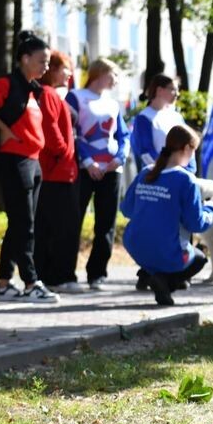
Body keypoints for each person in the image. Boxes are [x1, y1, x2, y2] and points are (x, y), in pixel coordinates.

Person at [0, 31, 59, 303]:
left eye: (48, 61)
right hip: (15, 160)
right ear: (24, 59)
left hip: (32, 160)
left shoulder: (31, 88)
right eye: (42, 60)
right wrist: (3, 130)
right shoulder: (8, 84)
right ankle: (32, 283)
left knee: (19, 223)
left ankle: (3, 283)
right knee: (26, 224)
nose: (46, 66)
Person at [121, 126, 213, 305]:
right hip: (164, 248)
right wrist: (211, 208)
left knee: (157, 250)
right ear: (187, 149)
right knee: (199, 258)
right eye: (193, 151)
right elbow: (196, 224)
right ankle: (165, 283)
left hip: (134, 244)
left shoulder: (146, 172)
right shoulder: (186, 180)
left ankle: (149, 273)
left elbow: (126, 209)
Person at [66, 57, 130, 291]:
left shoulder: (113, 104)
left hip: (112, 170)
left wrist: (119, 158)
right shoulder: (76, 97)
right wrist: (88, 160)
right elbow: (72, 133)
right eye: (114, 74)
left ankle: (97, 274)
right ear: (100, 73)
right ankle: (66, 273)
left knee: (106, 223)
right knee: (74, 220)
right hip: (85, 169)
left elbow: (123, 135)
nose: (116, 80)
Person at [35, 49, 84, 294]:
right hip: (58, 172)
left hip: (59, 170)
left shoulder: (51, 94)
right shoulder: (48, 94)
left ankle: (48, 275)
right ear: (53, 70)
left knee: (50, 225)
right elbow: (51, 128)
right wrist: (65, 152)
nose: (69, 73)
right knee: (63, 226)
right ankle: (61, 276)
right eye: (66, 68)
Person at [131, 74, 195, 173]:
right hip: (158, 178)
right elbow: (146, 153)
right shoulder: (144, 118)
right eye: (173, 89)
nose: (177, 94)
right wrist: (168, 172)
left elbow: (188, 146)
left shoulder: (177, 117)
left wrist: (188, 171)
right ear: (159, 90)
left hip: (180, 177)